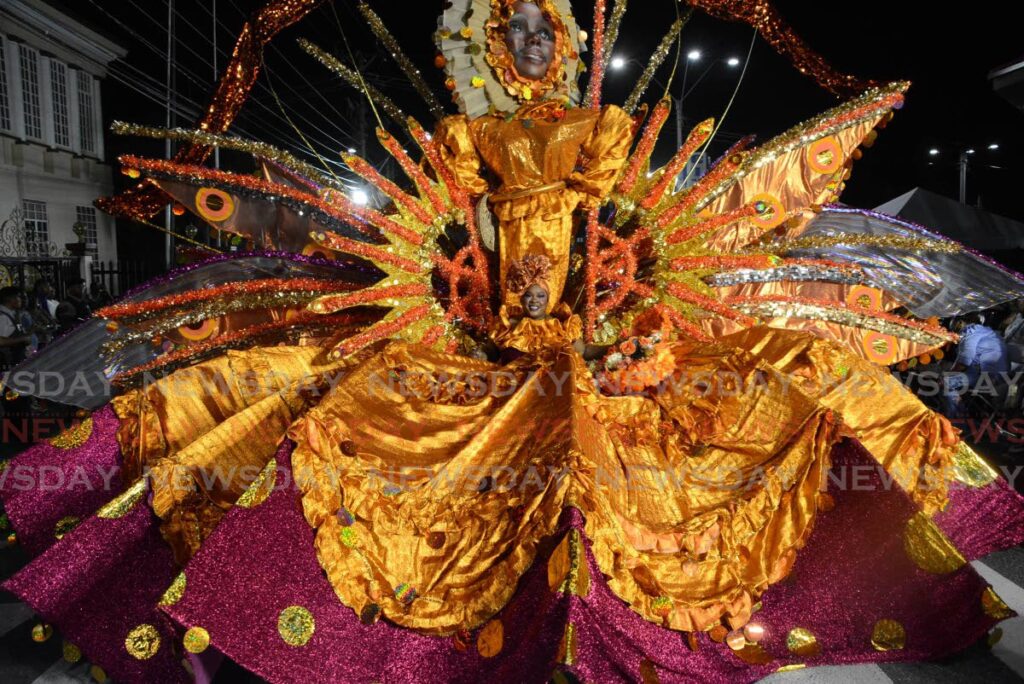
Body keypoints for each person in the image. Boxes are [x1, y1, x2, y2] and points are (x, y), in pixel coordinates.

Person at [2, 2, 1023, 682]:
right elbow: (473, 259)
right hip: (487, 357)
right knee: (306, 411)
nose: (533, 44)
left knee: (779, 403)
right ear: (491, 50)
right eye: (514, 33)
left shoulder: (606, 155)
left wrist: (632, 339)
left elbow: (629, 260)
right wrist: (483, 321)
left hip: (604, 354)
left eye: (545, 31)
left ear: (564, 47)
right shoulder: (471, 160)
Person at [0, 286, 33, 369]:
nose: (21, 300)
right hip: (9, 362)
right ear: (10, 299)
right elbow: (1, 341)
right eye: (18, 297)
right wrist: (23, 339)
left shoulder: (12, 314)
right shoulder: (3, 317)